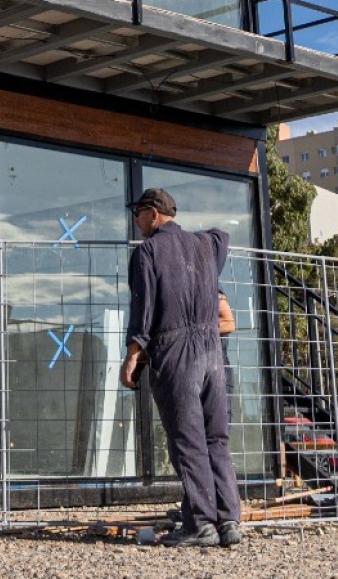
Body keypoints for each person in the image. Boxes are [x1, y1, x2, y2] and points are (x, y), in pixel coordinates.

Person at [119, 187, 242, 548]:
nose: (136, 221)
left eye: (137, 214)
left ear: (153, 213)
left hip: (176, 352)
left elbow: (143, 310)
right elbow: (223, 236)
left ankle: (200, 525)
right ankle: (229, 520)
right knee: (215, 438)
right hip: (211, 350)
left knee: (187, 440)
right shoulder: (206, 246)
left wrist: (131, 356)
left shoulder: (147, 252)